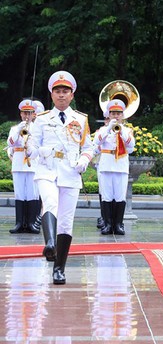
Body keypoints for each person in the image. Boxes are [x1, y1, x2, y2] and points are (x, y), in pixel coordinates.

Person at [28, 71, 94, 284]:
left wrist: (84, 160)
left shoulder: (81, 119)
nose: (61, 95)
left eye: (65, 91)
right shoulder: (41, 119)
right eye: (57, 91)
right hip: (47, 169)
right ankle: (49, 243)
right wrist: (35, 150)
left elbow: (88, 146)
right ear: (51, 94)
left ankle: (59, 269)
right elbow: (32, 144)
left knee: (66, 222)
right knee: (50, 202)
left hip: (70, 171)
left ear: (72, 95)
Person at [93, 99, 136, 235]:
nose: (116, 116)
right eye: (113, 113)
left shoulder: (127, 130)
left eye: (118, 113)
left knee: (119, 196)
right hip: (106, 166)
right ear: (109, 114)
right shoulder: (103, 130)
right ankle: (107, 223)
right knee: (106, 196)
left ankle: (118, 224)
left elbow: (131, 146)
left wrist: (121, 130)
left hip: (121, 166)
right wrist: (108, 128)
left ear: (123, 115)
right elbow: (96, 141)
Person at [7, 99, 40, 234]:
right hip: (19, 163)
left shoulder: (37, 129)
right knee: (20, 193)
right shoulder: (15, 128)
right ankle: (19, 223)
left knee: (32, 193)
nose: (27, 116)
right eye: (24, 113)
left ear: (33, 114)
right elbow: (10, 143)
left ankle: (31, 222)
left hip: (32, 163)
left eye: (29, 113)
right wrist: (19, 129)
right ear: (21, 114)